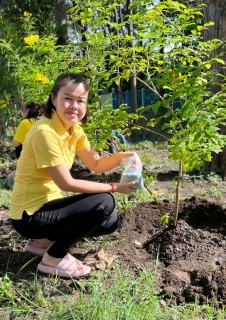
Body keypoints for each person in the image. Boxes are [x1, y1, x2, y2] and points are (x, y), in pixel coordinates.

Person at [10, 73, 139, 278]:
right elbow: (66, 182)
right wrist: (115, 187)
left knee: (110, 220)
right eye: (67, 98)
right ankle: (53, 258)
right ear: (54, 99)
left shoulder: (74, 129)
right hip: (29, 215)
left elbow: (95, 164)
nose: (74, 105)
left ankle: (43, 242)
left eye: (80, 100)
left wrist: (122, 157)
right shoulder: (45, 131)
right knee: (105, 201)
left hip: (48, 207)